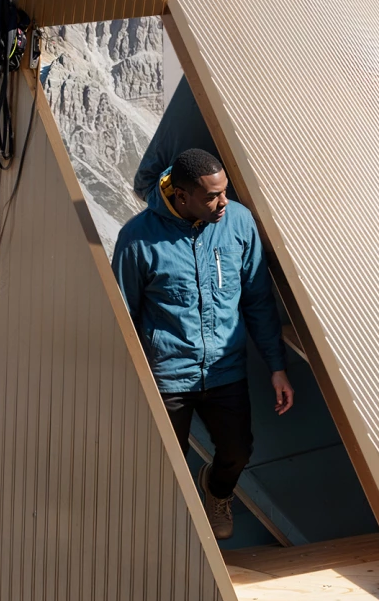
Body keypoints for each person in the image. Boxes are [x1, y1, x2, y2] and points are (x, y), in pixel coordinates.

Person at [110, 146, 294, 541]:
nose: (224, 201)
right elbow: (121, 316)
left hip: (225, 369)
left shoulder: (239, 222)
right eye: (212, 196)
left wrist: (276, 366)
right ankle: (172, 536)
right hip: (167, 375)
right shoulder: (137, 239)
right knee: (164, 465)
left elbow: (258, 300)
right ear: (182, 196)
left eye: (224, 191)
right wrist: (129, 382)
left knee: (238, 451)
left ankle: (217, 490)